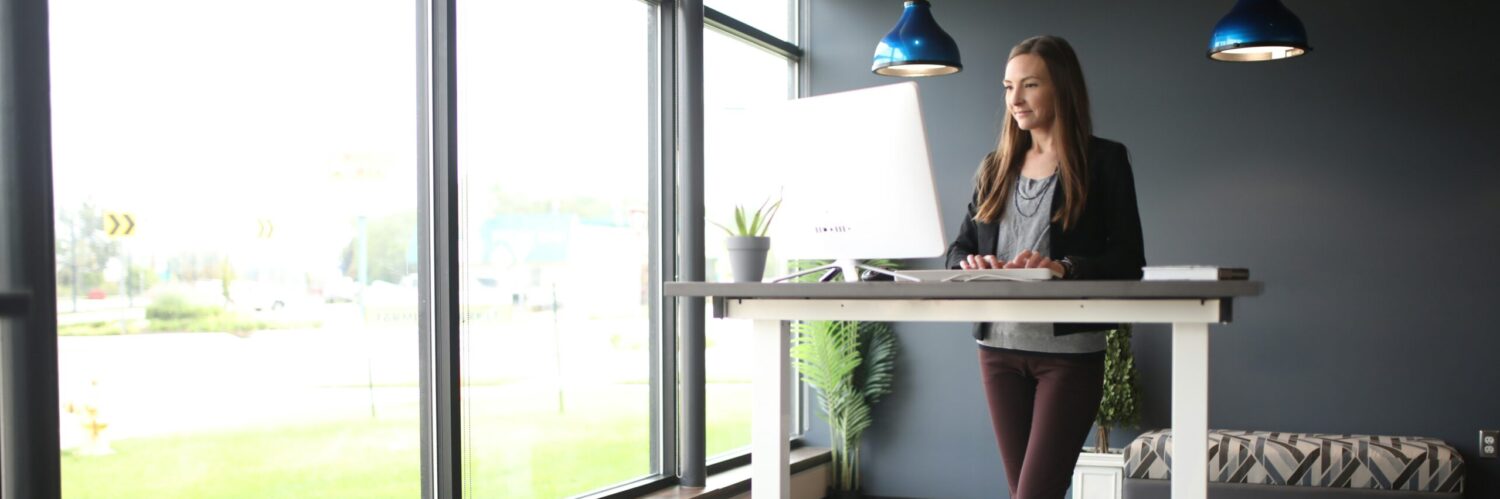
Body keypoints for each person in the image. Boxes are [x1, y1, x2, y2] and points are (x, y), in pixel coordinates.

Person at [943, 35, 1146, 499]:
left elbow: (1129, 258)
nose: (1014, 99)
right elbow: (956, 250)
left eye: (1029, 85)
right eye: (1008, 86)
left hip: (1070, 354)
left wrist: (1066, 267)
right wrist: (971, 261)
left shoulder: (1104, 161)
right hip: (997, 350)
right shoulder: (994, 166)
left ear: (1062, 89)